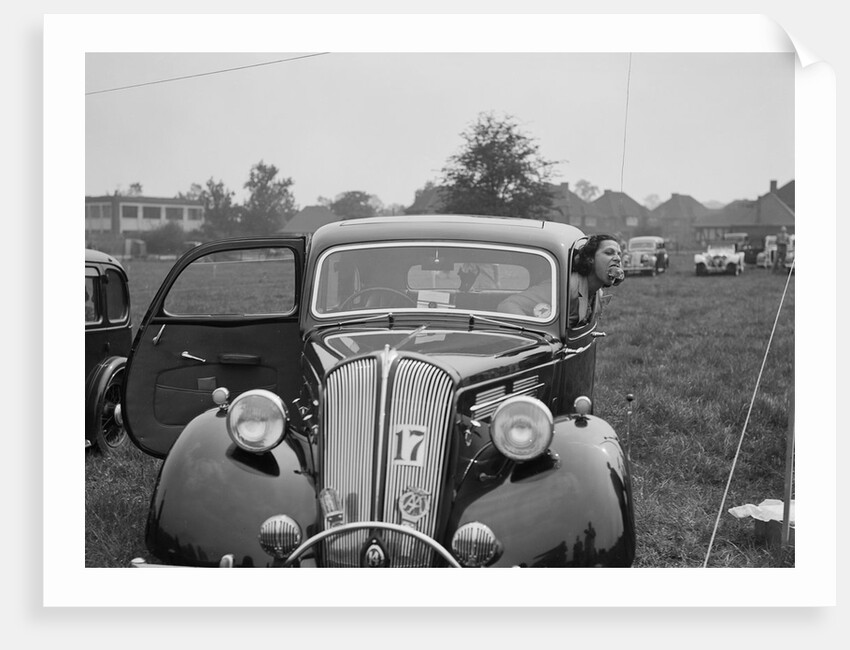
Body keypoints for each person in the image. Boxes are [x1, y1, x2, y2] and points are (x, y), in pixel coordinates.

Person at [497, 234, 623, 325]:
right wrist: (531, 332)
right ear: (590, 259)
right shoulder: (567, 286)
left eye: (619, 254)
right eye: (609, 253)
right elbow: (507, 306)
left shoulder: (598, 293)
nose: (617, 258)